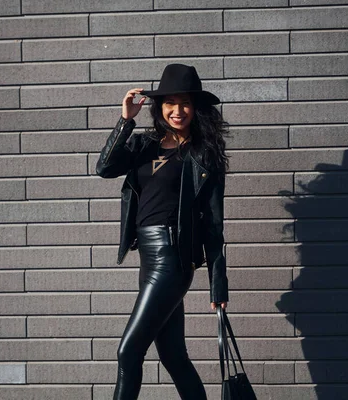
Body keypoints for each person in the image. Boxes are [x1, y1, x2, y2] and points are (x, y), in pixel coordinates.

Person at [95, 63, 230, 400]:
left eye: (184, 103)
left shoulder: (203, 155)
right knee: (174, 357)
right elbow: (104, 168)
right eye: (170, 103)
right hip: (148, 258)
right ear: (160, 107)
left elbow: (214, 223)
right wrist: (126, 121)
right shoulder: (146, 145)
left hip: (172, 260)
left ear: (195, 108)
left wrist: (218, 284)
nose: (177, 111)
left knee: (128, 352)